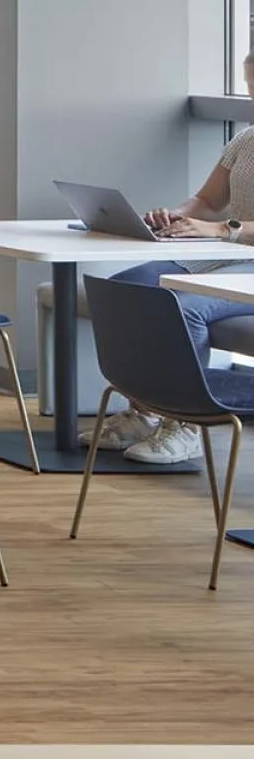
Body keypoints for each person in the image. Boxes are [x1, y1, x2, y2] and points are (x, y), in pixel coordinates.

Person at [109, 69, 254, 464]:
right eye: (250, 84)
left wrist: (221, 228)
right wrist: (175, 216)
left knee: (180, 306)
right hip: (225, 253)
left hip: (245, 261)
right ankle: (143, 412)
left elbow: (219, 220)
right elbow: (206, 201)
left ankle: (187, 425)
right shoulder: (245, 139)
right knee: (127, 289)